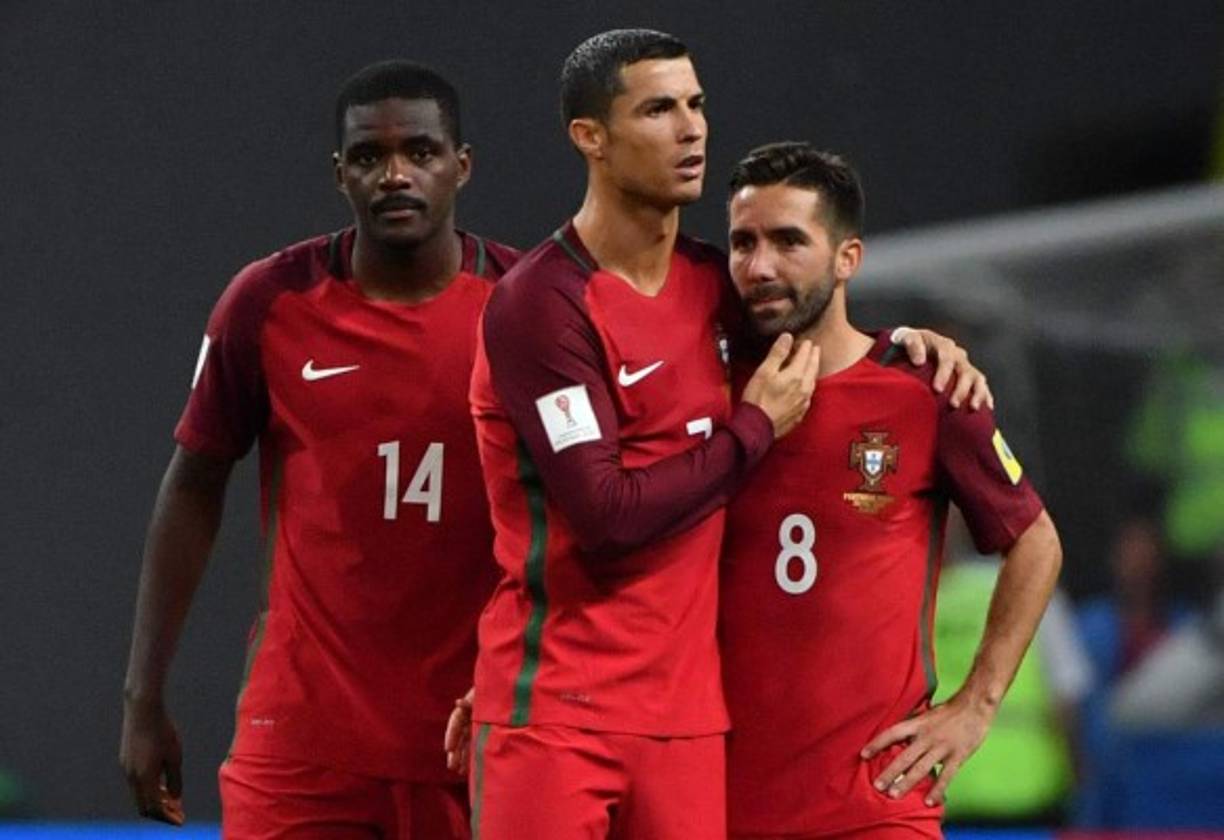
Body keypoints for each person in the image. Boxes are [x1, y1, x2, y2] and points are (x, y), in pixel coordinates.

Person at [458, 30, 990, 840]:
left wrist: (910, 350)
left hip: (689, 725)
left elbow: (820, 326)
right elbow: (605, 517)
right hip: (556, 711)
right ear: (590, 138)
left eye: (697, 105)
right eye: (660, 109)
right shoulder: (544, 304)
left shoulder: (715, 287)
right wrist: (753, 429)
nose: (692, 128)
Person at [118, 60, 518, 838]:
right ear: (340, 175)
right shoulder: (267, 302)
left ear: (461, 166)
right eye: (369, 157)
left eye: (421, 153)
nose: (395, 175)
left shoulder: (529, 310)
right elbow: (194, 483)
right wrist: (143, 697)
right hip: (301, 744)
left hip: (477, 738)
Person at [718, 142, 1063, 840]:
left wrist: (976, 705)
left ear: (848, 258)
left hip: (874, 807)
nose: (761, 266)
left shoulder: (925, 389)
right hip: (718, 805)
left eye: (790, 241)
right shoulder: (701, 388)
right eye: (743, 242)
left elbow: (1035, 540)